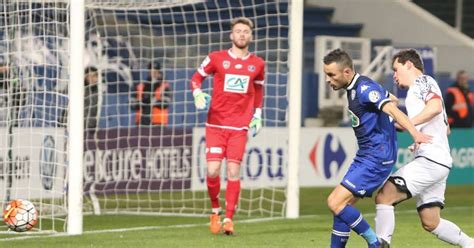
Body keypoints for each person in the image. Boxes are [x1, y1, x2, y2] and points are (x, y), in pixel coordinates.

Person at [322, 49, 431, 248]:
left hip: (376, 157)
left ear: (346, 72)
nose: (328, 80)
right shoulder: (358, 87)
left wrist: (414, 133)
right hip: (366, 155)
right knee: (341, 207)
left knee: (334, 202)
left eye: (331, 74)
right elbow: (391, 99)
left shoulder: (364, 89)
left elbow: (392, 108)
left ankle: (375, 243)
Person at [375, 49, 474, 248]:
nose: (394, 75)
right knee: (431, 221)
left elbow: (436, 107)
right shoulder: (421, 89)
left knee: (384, 196)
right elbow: (445, 128)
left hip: (431, 160)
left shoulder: (422, 82)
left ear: (409, 65)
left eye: (396, 69)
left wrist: (408, 124)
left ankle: (380, 245)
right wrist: (418, 136)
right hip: (438, 160)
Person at [190, 17, 264, 235]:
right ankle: (215, 210)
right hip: (215, 124)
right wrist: (196, 92)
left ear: (250, 36)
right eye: (238, 31)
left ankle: (229, 219)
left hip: (239, 126)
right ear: (231, 35)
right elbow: (196, 78)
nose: (242, 34)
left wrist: (257, 115)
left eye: (246, 31)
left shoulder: (258, 64)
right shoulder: (216, 58)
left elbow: (258, 90)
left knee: (233, 170)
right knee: (212, 170)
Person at [135, 61, 172, 126]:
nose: (153, 73)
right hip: (142, 122)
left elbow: (165, 103)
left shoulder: (164, 86)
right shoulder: (141, 86)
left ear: (159, 72)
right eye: (151, 71)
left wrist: (152, 100)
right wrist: (143, 101)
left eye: (155, 71)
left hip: (158, 123)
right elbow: (134, 105)